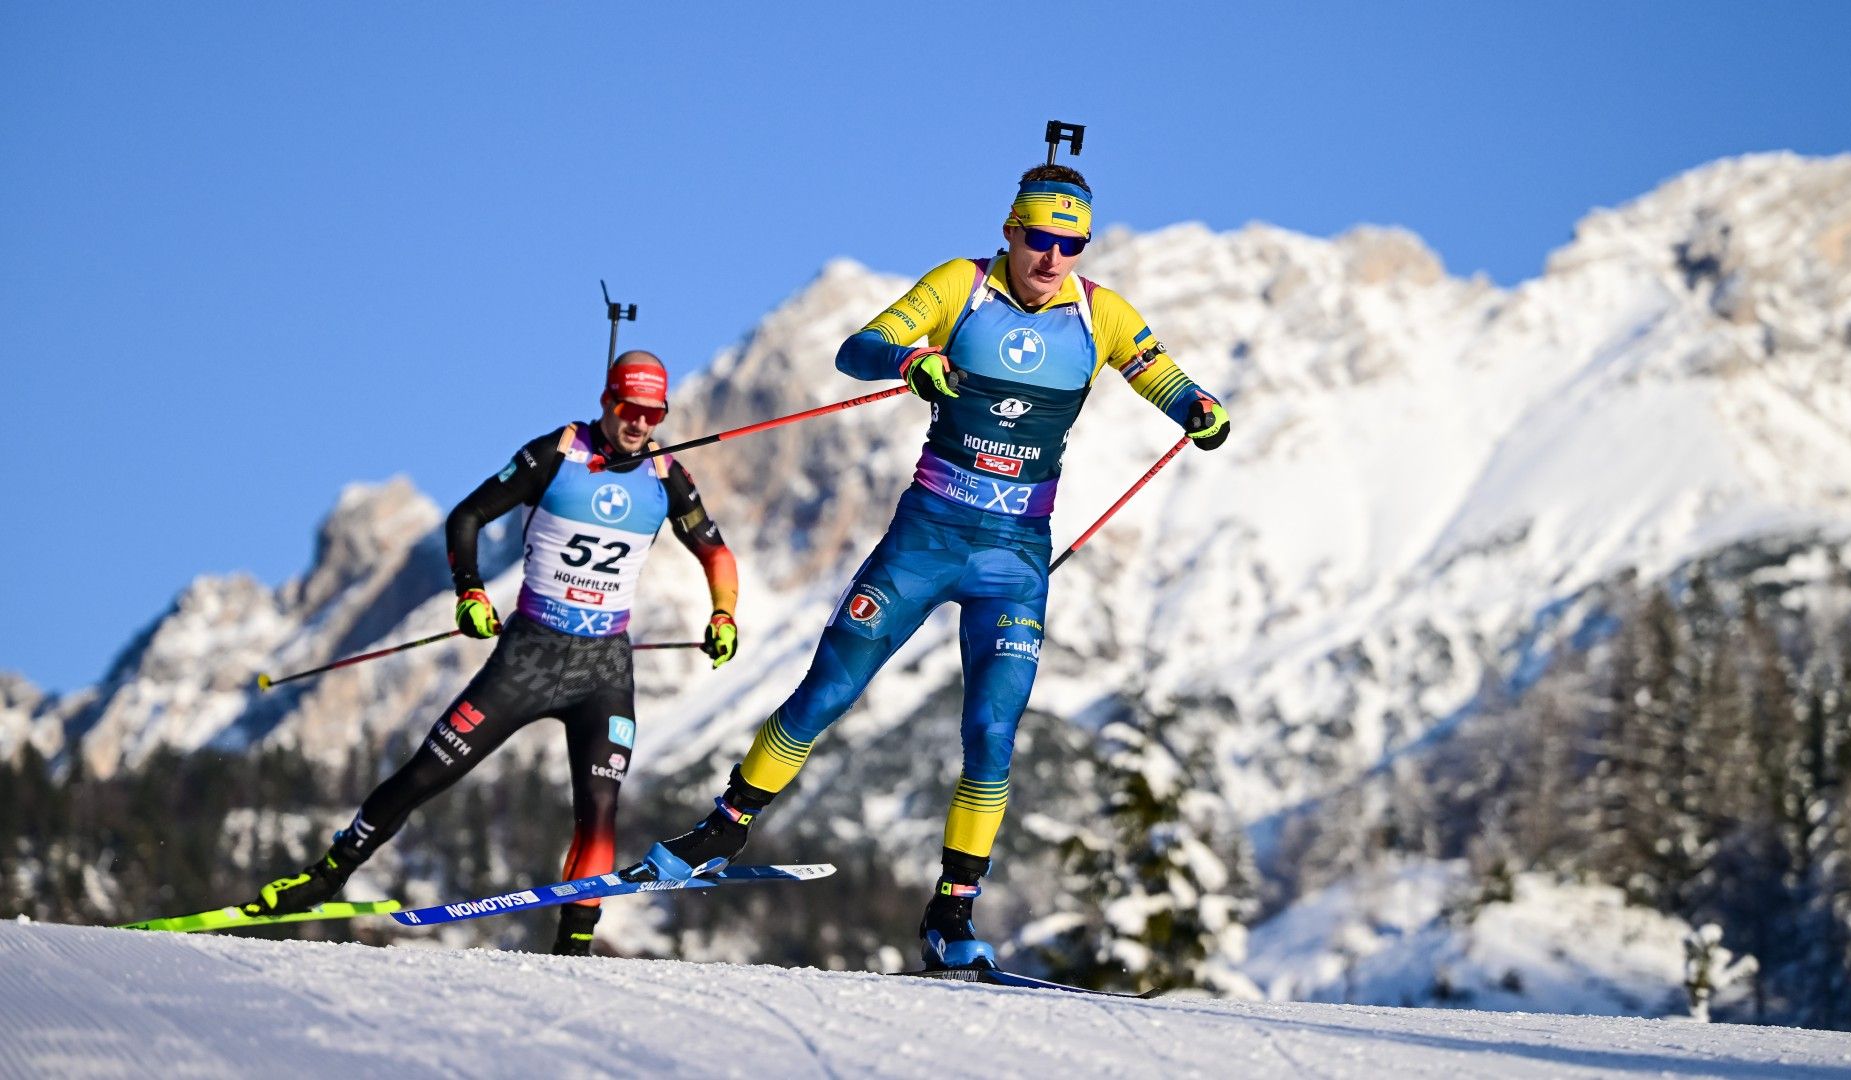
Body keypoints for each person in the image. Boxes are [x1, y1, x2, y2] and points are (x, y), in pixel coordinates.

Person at [623, 162, 1230, 969]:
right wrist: (910, 360)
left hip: (1016, 556)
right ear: (1010, 232)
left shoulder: (1102, 313)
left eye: (1071, 245)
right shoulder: (962, 286)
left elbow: (1160, 372)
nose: (1052, 259)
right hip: (928, 538)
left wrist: (1197, 408)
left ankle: (952, 914)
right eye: (1039, 240)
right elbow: (858, 348)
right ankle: (720, 830)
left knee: (992, 733)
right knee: (829, 690)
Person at [241, 352, 741, 956]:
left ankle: (574, 951)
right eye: (628, 409)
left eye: (652, 414)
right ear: (607, 399)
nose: (638, 424)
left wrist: (723, 613)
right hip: (529, 658)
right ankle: (325, 876)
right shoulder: (555, 453)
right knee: (426, 773)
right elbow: (468, 516)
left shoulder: (665, 476)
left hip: (603, 670)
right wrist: (470, 591)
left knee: (600, 810)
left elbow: (715, 552)